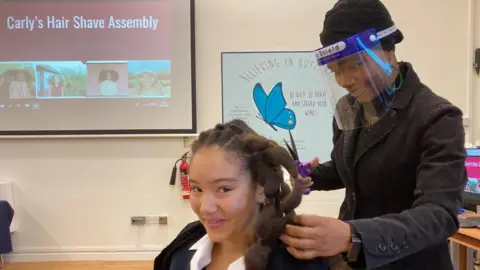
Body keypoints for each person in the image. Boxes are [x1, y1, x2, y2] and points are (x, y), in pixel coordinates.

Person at [280, 1, 468, 269]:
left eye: (354, 65)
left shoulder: (437, 118)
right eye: (335, 71)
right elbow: (352, 167)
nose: (344, 81)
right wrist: (313, 176)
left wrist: (351, 235)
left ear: (389, 51)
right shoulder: (349, 107)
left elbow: (439, 216)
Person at [153, 119, 330, 270]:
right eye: (197, 189)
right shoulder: (181, 250)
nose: (206, 208)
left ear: (261, 188)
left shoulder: (297, 263)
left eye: (224, 189)